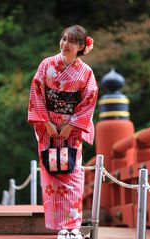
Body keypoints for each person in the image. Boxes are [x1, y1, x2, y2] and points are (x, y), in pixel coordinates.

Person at [28, 25, 98, 239]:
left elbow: (89, 100)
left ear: (80, 47)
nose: (65, 44)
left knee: (73, 174)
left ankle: (73, 227)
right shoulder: (46, 65)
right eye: (64, 39)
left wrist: (71, 126)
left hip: (72, 131)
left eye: (71, 41)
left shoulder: (86, 73)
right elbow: (37, 93)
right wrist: (46, 123)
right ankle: (61, 228)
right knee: (52, 176)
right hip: (48, 129)